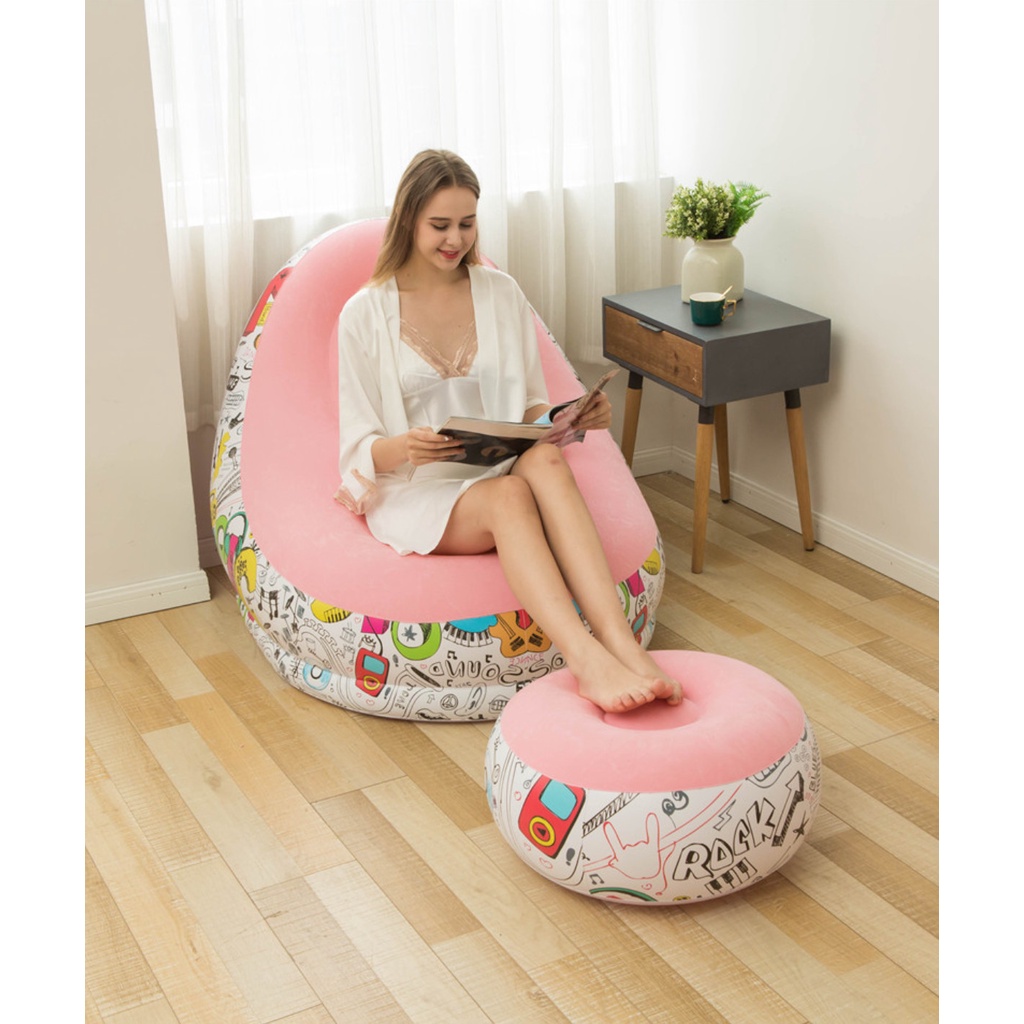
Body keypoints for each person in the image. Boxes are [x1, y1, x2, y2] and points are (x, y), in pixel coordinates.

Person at [335, 149, 681, 713]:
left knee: (543, 461)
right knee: (510, 495)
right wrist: (407, 446)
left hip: (495, 461)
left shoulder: (500, 292)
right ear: (408, 219)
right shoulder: (364, 313)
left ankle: (622, 643)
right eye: (440, 225)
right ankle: (586, 662)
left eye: (467, 223)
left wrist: (571, 418)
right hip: (417, 489)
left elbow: (526, 409)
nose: (456, 240)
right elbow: (357, 445)